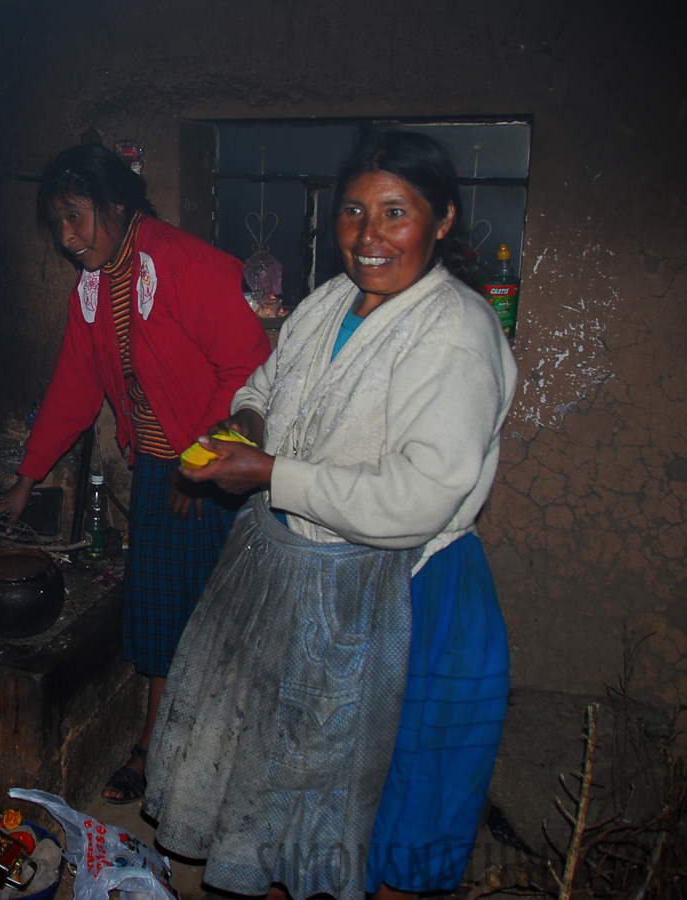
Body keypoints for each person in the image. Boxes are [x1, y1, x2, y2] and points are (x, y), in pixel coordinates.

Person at [142, 131, 518, 900]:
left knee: (387, 811)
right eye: (352, 211)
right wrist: (245, 425)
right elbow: (263, 382)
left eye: (393, 213)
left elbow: (418, 497)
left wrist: (273, 473)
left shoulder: (454, 332)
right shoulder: (327, 302)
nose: (367, 236)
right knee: (287, 778)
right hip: (303, 581)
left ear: (441, 220)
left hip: (405, 593)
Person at [0, 142, 271, 804]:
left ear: (118, 204)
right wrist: (28, 477)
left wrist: (201, 463)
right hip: (163, 466)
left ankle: (195, 756)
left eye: (76, 217)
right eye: (56, 224)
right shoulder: (99, 283)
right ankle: (163, 746)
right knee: (166, 615)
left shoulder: (185, 265)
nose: (66, 237)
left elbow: (250, 368)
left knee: (207, 623)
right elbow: (74, 389)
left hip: (214, 468)